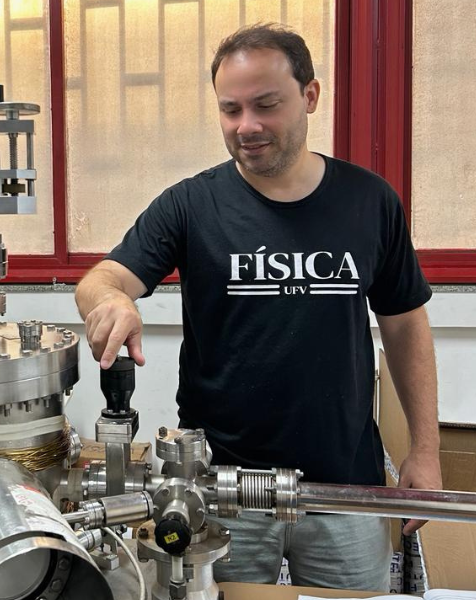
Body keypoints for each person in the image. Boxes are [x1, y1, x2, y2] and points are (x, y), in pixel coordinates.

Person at [74, 23, 442, 591]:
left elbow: (406, 327)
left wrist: (424, 449)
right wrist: (112, 301)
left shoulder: (369, 201)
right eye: (231, 109)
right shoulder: (191, 204)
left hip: (342, 487)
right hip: (221, 490)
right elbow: (102, 278)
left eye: (266, 105)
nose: (247, 127)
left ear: (310, 96)